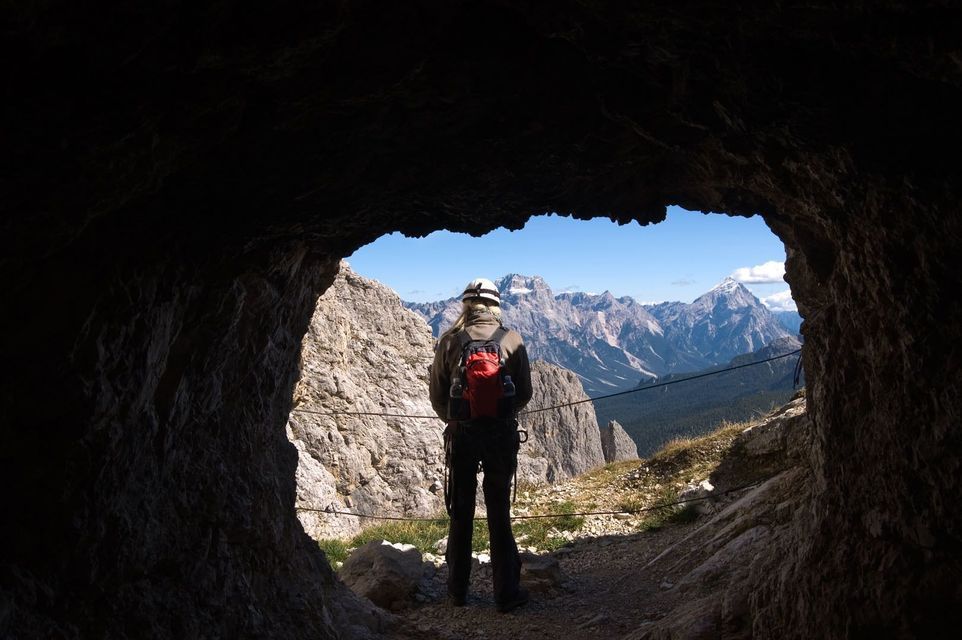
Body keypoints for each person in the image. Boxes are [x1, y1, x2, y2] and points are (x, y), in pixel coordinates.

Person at [429, 277, 533, 613]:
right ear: (495, 305)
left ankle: (457, 590)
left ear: (467, 305)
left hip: (462, 436)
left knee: (461, 511)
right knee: (499, 512)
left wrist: (458, 418)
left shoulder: (449, 341)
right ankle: (506, 593)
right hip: (501, 437)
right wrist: (502, 413)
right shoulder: (511, 339)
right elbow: (525, 391)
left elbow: (437, 395)